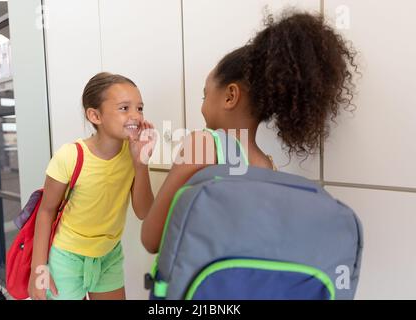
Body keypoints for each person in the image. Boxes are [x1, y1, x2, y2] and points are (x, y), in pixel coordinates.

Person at [141, 11, 358, 253]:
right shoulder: (268, 166)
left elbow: (151, 239)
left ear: (230, 96)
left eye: (205, 94)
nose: (202, 104)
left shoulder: (203, 145)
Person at [28, 72, 155, 300]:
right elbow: (46, 212)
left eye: (140, 108)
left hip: (109, 256)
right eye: (124, 108)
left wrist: (141, 163)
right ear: (95, 115)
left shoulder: (134, 153)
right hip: (66, 258)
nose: (136, 115)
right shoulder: (69, 156)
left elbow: (144, 211)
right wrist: (38, 270)